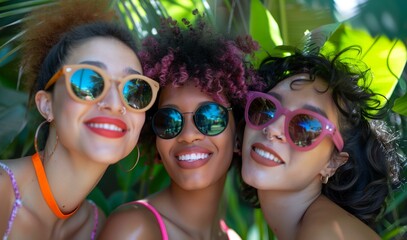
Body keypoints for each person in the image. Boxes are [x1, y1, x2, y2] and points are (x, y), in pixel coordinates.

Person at [0, 0, 159, 239]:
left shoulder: (96, 227)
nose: (115, 103)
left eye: (134, 89)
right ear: (47, 105)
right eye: (88, 81)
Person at [99, 12, 263, 240]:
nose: (188, 135)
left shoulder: (232, 237)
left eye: (209, 116)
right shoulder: (134, 229)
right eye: (169, 120)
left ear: (238, 136)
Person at [240, 47, 404, 239]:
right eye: (266, 108)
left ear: (332, 163)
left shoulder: (326, 232)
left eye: (305, 126)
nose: (273, 129)